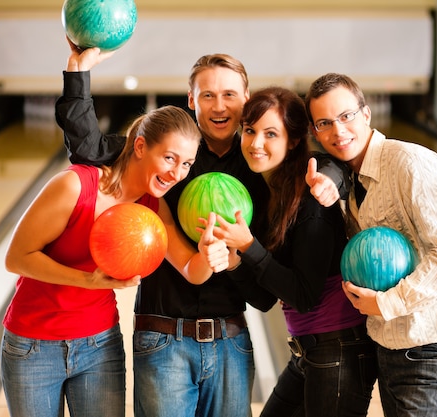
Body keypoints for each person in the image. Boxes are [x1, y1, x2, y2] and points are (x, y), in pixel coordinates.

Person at [55, 48, 278, 417]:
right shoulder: (166, 151)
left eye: (229, 95)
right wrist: (77, 74)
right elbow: (88, 150)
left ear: (247, 99)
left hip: (231, 340)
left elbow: (265, 295)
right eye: (208, 95)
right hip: (162, 338)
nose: (219, 105)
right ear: (192, 99)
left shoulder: (261, 167)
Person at [1, 88, 231, 417]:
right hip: (33, 344)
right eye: (169, 158)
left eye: (186, 164)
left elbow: (191, 269)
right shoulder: (75, 186)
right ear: (140, 145)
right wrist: (86, 280)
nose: (176, 173)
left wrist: (209, 257)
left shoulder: (153, 206)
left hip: (99, 345)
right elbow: (16, 258)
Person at [304, 73, 437, 417]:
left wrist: (389, 303)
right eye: (325, 123)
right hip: (389, 345)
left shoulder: (411, 164)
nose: (338, 131)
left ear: (366, 114)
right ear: (315, 131)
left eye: (346, 116)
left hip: (436, 346)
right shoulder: (346, 177)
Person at [210, 86, 378, 416]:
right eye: (250, 131)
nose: (256, 143)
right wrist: (234, 263)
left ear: (295, 139)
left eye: (271, 133)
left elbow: (305, 296)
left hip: (340, 347)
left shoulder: (310, 199)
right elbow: (265, 298)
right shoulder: (265, 194)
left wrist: (248, 246)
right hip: (309, 350)